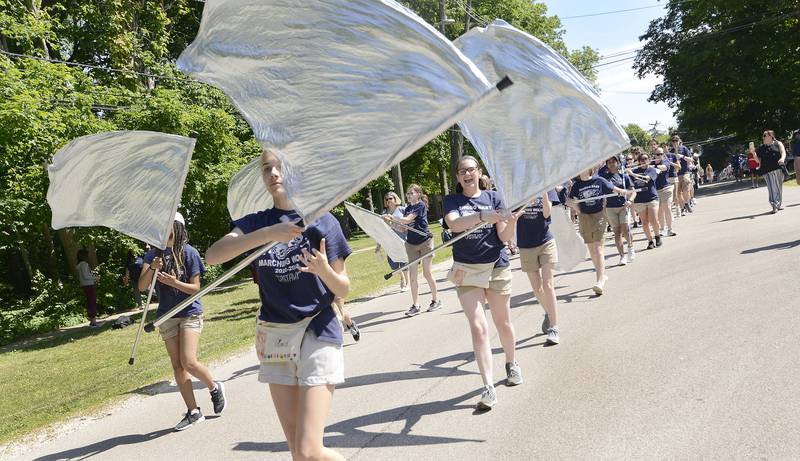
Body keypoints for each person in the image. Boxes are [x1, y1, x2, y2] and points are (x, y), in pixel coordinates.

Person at [205, 150, 350, 460]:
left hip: (317, 330)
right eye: (267, 168)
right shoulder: (257, 223)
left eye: (280, 166)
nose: (273, 173)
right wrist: (268, 234)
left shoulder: (322, 220)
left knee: (310, 450)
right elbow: (213, 255)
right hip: (276, 335)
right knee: (297, 451)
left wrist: (323, 270)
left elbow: (343, 288)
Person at [443, 155, 520, 411]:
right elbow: (454, 224)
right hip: (466, 269)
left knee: (503, 322)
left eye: (471, 170)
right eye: (462, 171)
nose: (467, 174)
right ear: (457, 176)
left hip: (496, 265)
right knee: (478, 328)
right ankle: (488, 386)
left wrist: (510, 223)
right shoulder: (452, 201)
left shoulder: (495, 197)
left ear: (479, 172)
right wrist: (482, 216)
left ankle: (511, 363)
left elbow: (505, 236)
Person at [139, 213, 226, 431]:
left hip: (189, 312)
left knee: (188, 361)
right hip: (166, 315)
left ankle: (214, 387)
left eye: (166, 224)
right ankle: (194, 411)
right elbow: (141, 287)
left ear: (177, 227)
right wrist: (152, 267)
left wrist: (174, 282)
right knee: (177, 365)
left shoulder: (189, 253)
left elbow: (196, 289)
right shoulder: (152, 255)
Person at [567, 166, 628, 295]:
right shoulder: (577, 185)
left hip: (599, 216)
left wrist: (626, 192)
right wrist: (577, 208)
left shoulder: (599, 180)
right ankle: (602, 274)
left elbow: (615, 189)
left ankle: (599, 281)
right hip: (584, 218)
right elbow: (569, 200)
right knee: (592, 250)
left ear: (588, 169)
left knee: (599, 248)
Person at [386, 184, 441, 317]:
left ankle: (435, 300)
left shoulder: (420, 205)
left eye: (411, 193)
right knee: (412, 277)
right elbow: (403, 228)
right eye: (408, 193)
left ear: (418, 194)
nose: (409, 195)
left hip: (425, 242)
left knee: (427, 273)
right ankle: (416, 305)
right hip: (411, 244)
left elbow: (407, 220)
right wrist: (390, 223)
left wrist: (393, 217)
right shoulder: (408, 208)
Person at [517, 190, 562, 344]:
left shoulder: (547, 186)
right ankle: (549, 313)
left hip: (546, 241)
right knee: (537, 288)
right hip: (525, 244)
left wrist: (543, 191)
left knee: (548, 283)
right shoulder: (515, 188)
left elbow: (546, 213)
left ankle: (554, 327)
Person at [599, 156, 636, 265]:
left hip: (623, 206)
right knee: (617, 232)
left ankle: (630, 247)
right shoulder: (604, 177)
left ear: (618, 163)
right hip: (610, 207)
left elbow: (633, 191)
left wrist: (630, 201)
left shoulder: (624, 177)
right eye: (609, 162)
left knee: (625, 229)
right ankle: (622, 256)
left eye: (613, 161)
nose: (611, 163)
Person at [628, 152, 667, 249]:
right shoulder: (635, 170)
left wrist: (632, 173)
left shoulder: (652, 170)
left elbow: (646, 179)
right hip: (639, 200)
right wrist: (628, 173)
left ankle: (657, 236)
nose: (644, 161)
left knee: (653, 220)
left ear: (649, 160)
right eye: (641, 160)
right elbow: (630, 183)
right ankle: (650, 241)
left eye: (645, 159)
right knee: (644, 222)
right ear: (639, 161)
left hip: (651, 198)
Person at [376, 191, 409, 293]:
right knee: (393, 264)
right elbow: (382, 230)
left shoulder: (402, 209)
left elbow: (408, 224)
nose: (389, 201)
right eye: (387, 199)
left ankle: (407, 283)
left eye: (391, 198)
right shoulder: (384, 213)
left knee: (404, 262)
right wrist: (378, 245)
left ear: (395, 199)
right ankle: (402, 278)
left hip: (403, 240)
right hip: (390, 242)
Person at [752, 130, 787, 213]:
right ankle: (774, 205)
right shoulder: (761, 148)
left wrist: (782, 158)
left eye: (765, 135)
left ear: (771, 136)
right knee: (771, 188)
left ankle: (778, 204)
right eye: (763, 136)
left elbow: (783, 152)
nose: (763, 137)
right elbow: (758, 161)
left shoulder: (777, 143)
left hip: (777, 168)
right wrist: (754, 154)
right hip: (766, 171)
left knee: (778, 188)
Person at [654, 148, 678, 237]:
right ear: (654, 155)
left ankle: (669, 229)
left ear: (663, 154)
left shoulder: (665, 161)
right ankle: (662, 229)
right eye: (657, 154)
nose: (659, 156)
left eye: (661, 154)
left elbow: (664, 168)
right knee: (659, 211)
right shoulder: (651, 163)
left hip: (666, 189)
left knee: (667, 208)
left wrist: (652, 167)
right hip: (656, 190)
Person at [76, 249, 99, 328]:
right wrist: (96, 278)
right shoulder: (84, 264)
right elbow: (86, 276)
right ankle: (94, 322)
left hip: (84, 286)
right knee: (92, 302)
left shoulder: (80, 265)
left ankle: (92, 321)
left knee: (89, 302)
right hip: (89, 285)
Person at [671, 135, 693, 214]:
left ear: (679, 141)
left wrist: (682, 156)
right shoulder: (671, 151)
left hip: (685, 172)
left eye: (676, 140)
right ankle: (682, 206)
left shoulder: (684, 148)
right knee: (678, 192)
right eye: (673, 141)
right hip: (676, 174)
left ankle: (687, 203)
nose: (675, 142)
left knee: (686, 190)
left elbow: (691, 159)